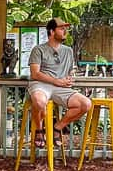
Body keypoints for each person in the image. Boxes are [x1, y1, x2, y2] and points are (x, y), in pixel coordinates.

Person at [27, 18, 92, 148]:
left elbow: (69, 71)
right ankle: (39, 130)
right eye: (61, 28)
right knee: (39, 102)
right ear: (51, 31)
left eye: (65, 28)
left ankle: (57, 128)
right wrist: (56, 81)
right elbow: (35, 74)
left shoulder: (68, 51)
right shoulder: (38, 49)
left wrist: (69, 78)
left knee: (85, 104)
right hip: (41, 84)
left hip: (60, 87)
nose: (65, 31)